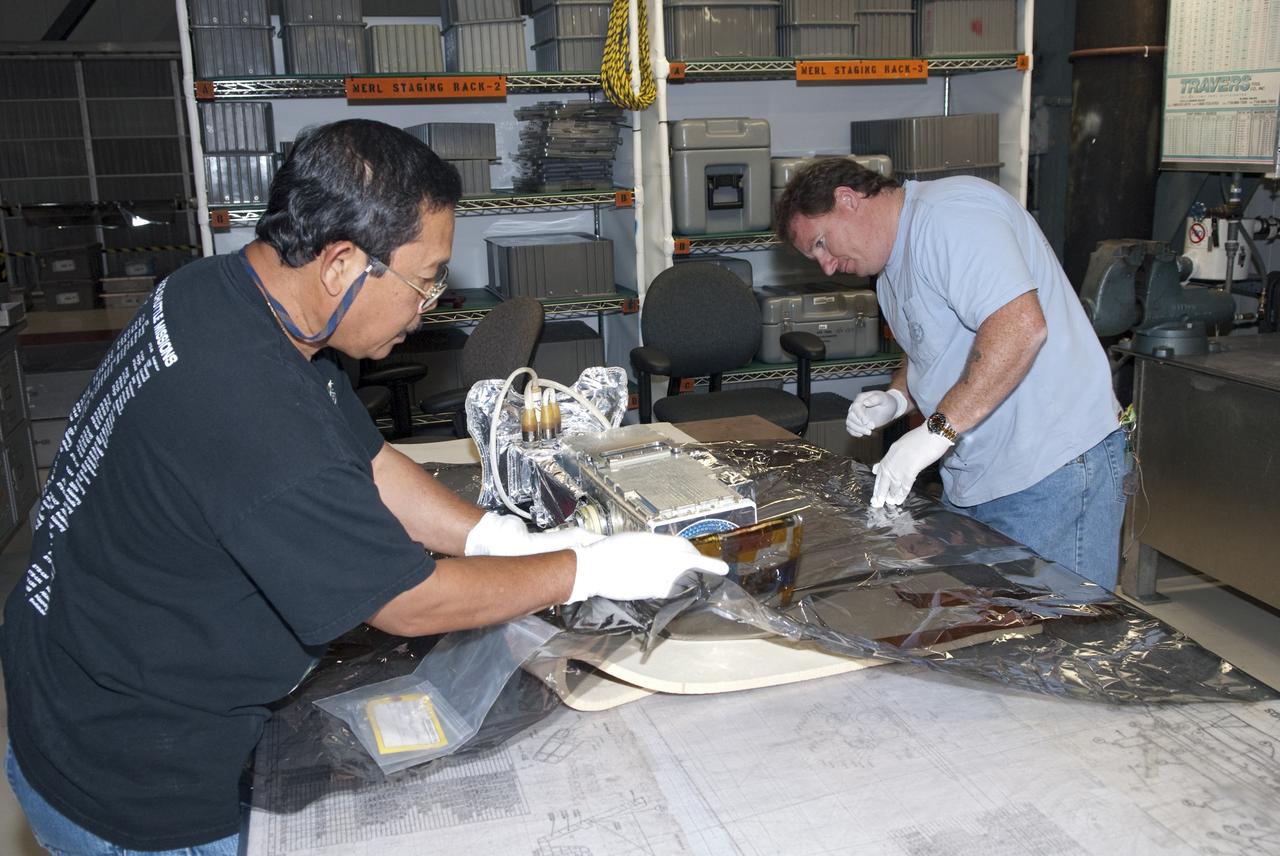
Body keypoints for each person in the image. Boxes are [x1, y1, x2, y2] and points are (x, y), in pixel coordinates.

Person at [0, 119, 726, 855]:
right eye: (424, 279)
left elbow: (368, 460)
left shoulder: (220, 292)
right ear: (342, 263)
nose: (431, 303)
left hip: (75, 667)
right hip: (134, 769)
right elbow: (408, 601)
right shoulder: (251, 403)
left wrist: (491, 536)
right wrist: (585, 571)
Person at [775, 158, 1127, 590]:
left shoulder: (949, 218)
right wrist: (898, 397)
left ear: (847, 199)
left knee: (1065, 623)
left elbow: (1020, 328)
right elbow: (934, 351)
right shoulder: (888, 273)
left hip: (1051, 469)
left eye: (822, 243)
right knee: (994, 620)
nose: (827, 266)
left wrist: (938, 430)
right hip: (978, 475)